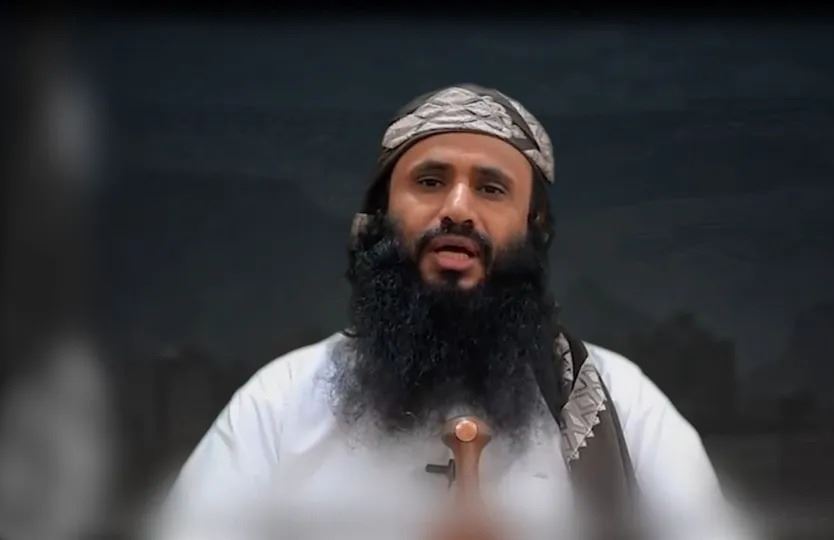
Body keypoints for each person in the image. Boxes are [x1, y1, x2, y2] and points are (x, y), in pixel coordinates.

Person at [150, 84, 750, 540]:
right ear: (379, 217)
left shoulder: (623, 405)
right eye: (431, 181)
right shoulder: (281, 402)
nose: (458, 209)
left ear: (533, 228)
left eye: (491, 188)